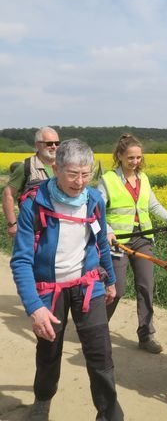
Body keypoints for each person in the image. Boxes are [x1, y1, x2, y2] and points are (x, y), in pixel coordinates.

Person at [10, 139, 123, 421]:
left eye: (86, 174)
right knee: (49, 350)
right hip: (50, 291)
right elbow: (22, 260)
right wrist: (34, 307)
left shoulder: (94, 200)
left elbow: (101, 243)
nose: (80, 182)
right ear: (56, 168)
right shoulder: (34, 205)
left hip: (88, 286)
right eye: (73, 174)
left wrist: (108, 281)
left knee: (101, 354)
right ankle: (43, 399)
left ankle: (109, 415)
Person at [97, 133, 167, 354]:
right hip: (117, 241)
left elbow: (153, 205)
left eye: (138, 157)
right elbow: (98, 211)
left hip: (143, 237)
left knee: (146, 287)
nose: (135, 162)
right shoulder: (108, 180)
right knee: (117, 289)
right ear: (120, 156)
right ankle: (97, 330)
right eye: (131, 157)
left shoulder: (144, 179)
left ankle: (146, 335)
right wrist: (108, 231)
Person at [3, 127, 60, 239]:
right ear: (37, 145)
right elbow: (7, 194)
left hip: (60, 226)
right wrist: (12, 224)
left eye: (57, 143)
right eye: (49, 143)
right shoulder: (26, 167)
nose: (54, 146)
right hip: (32, 229)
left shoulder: (65, 165)